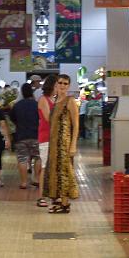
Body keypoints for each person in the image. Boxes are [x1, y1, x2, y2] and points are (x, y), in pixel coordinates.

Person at [43, 73, 79, 213]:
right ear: (56, 85)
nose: (62, 86)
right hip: (53, 143)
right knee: (55, 171)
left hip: (64, 142)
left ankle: (65, 203)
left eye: (65, 83)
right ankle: (59, 200)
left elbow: (76, 125)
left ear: (68, 86)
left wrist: (73, 144)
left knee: (64, 171)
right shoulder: (55, 102)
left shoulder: (70, 101)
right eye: (60, 83)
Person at [10, 83, 40, 189]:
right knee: (37, 157)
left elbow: (12, 118)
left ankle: (23, 182)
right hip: (36, 135)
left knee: (22, 159)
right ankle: (36, 179)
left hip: (21, 136)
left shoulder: (17, 105)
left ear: (22, 92)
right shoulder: (37, 104)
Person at [35, 74, 57, 207]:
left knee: (53, 168)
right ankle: (41, 197)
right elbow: (49, 118)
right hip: (45, 137)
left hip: (54, 137)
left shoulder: (53, 100)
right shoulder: (43, 100)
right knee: (45, 167)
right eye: (56, 85)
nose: (58, 88)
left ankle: (52, 195)